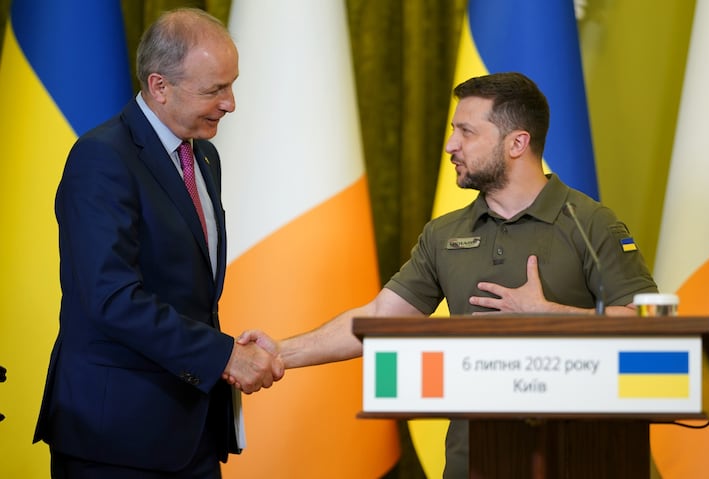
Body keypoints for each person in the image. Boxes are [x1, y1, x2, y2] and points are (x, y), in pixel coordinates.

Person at [236, 72, 659, 478]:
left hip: (583, 460)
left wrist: (545, 316)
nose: (450, 145)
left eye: (467, 132)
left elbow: (650, 330)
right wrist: (277, 354)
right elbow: (380, 318)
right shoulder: (444, 233)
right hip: (474, 461)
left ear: (517, 143)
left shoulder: (590, 222)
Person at [33, 8, 284, 479]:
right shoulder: (102, 159)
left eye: (231, 85)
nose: (231, 103)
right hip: (116, 439)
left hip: (192, 431)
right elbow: (112, 298)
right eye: (215, 90)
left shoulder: (204, 155)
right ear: (159, 86)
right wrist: (224, 355)